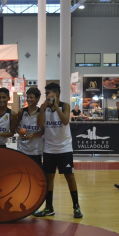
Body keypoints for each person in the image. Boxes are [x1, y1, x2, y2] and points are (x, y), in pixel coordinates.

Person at [35, 83, 83, 218]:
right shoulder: (44, 108)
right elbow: (40, 125)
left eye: (49, 93)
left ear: (56, 94)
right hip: (49, 148)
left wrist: (55, 105)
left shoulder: (65, 105)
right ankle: (49, 207)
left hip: (64, 148)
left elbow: (65, 121)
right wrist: (43, 108)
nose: (47, 96)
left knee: (69, 177)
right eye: (46, 94)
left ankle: (76, 207)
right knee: (49, 178)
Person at [16, 88, 44, 165]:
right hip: (22, 148)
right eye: (27, 97)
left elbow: (44, 131)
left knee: (35, 173)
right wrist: (20, 133)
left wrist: (34, 135)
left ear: (37, 98)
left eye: (31, 97)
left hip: (36, 149)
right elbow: (15, 127)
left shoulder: (41, 112)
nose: (28, 99)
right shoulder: (21, 111)